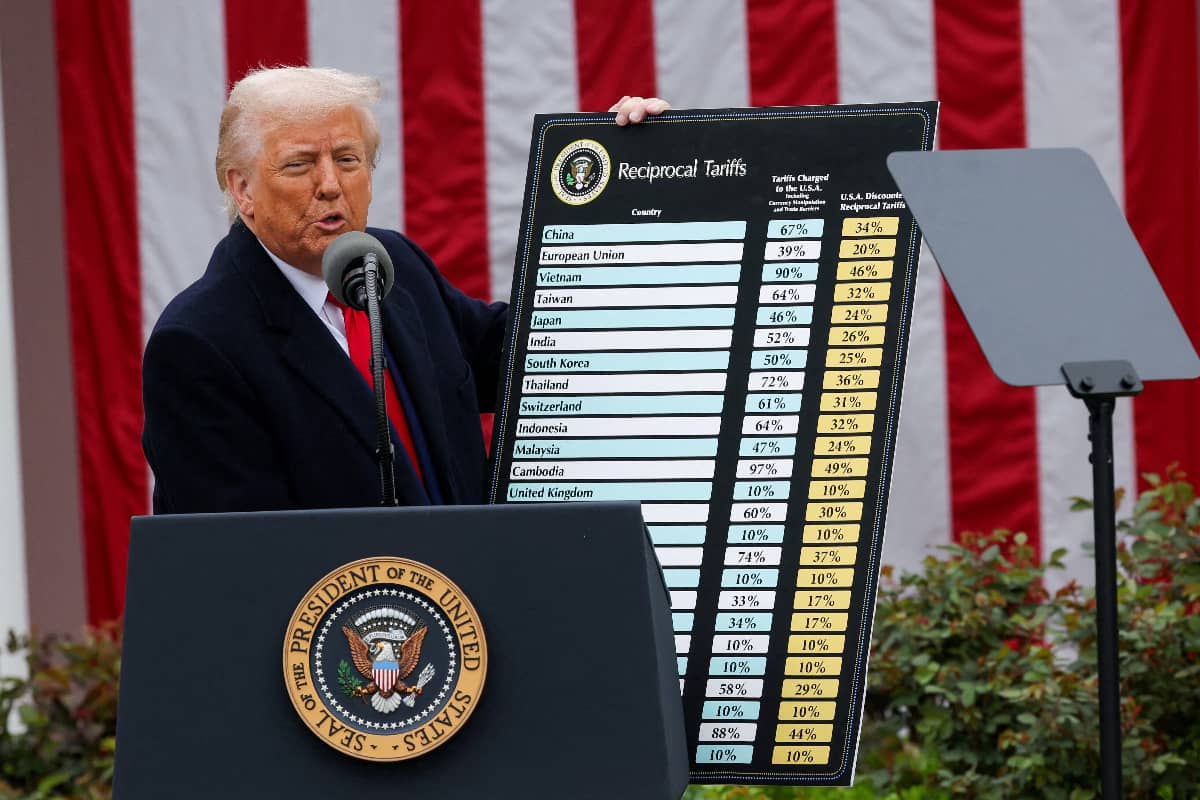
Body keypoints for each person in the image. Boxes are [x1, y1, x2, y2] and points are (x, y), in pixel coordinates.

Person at [141, 66, 668, 514]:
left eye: (347, 160)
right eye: (300, 164)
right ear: (242, 189)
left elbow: (529, 353)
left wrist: (630, 179)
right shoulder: (199, 343)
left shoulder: (392, 266)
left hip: (476, 608)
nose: (330, 184)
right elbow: (238, 563)